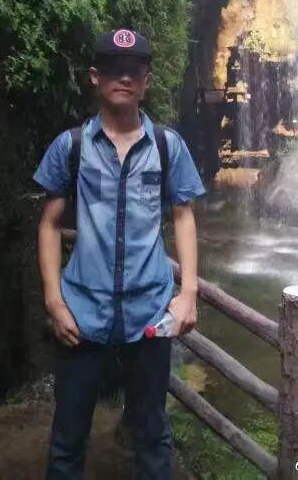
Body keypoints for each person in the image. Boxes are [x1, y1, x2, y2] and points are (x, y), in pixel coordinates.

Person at [33, 28, 207, 480]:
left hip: (148, 313)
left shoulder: (167, 146)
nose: (123, 77)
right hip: (82, 313)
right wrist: (54, 301)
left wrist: (188, 293)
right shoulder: (71, 146)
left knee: (152, 434)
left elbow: (183, 216)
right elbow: (49, 224)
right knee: (68, 438)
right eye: (113, 68)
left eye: (134, 69)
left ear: (146, 81)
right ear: (95, 76)